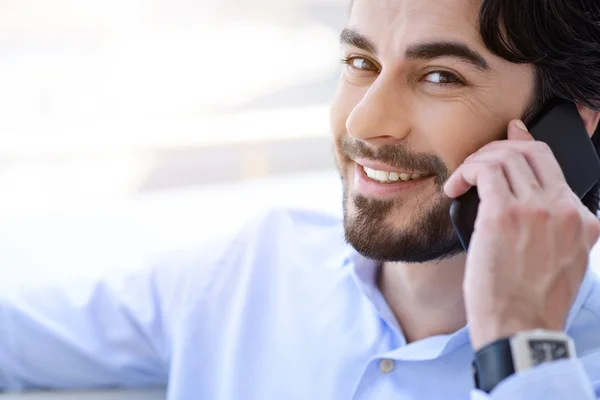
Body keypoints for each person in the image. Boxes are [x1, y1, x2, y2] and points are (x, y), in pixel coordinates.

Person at [2, 0, 600, 398]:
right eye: (360, 63)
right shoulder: (246, 270)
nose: (365, 122)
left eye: (440, 76)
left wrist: (524, 348)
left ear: (566, 131)